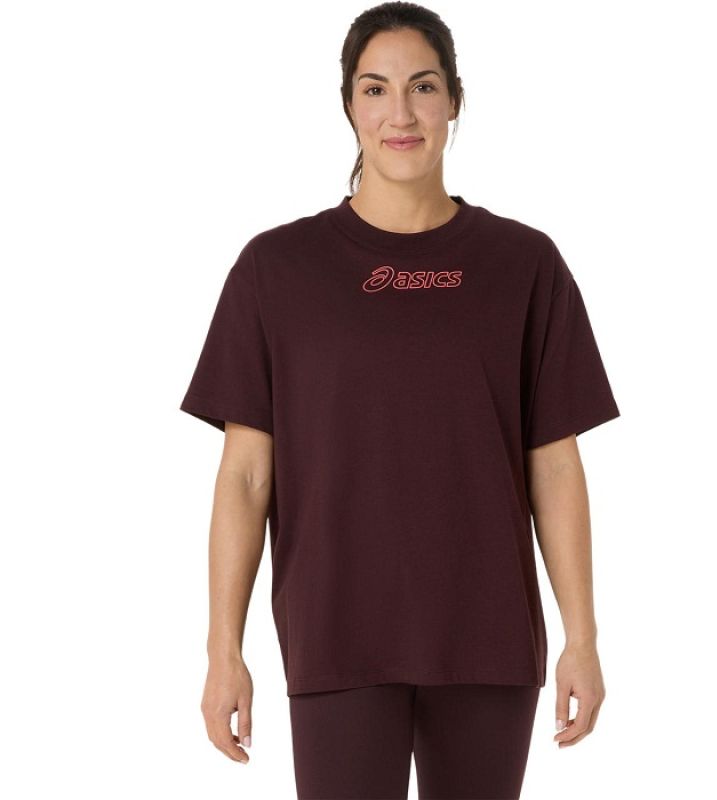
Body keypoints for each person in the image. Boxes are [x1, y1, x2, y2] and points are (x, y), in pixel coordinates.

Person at [179, 3, 621, 798]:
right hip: (335, 636)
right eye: (375, 89)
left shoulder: (524, 265)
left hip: (487, 640)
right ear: (349, 105)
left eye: (422, 86)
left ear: (455, 100)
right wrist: (223, 651)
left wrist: (581, 638)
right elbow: (245, 476)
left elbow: (555, 466)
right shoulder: (276, 270)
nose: (401, 115)